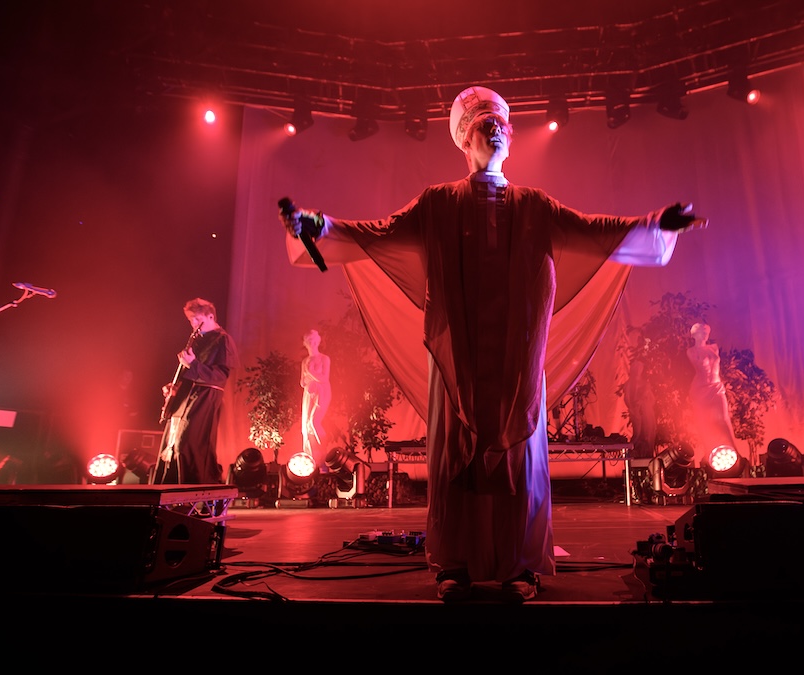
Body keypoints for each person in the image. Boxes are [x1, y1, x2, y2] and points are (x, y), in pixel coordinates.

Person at [279, 86, 707, 603]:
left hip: (515, 364)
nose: (497, 129)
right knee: (456, 459)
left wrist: (654, 224)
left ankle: (519, 568)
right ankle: (454, 567)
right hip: (457, 360)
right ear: (465, 138)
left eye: (502, 122)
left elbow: (596, 230)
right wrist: (316, 226)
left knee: (516, 463)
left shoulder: (534, 205)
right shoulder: (438, 202)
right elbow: (377, 233)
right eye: (485, 122)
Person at [153, 298, 239, 484]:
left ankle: (192, 492)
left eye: (196, 319)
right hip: (185, 398)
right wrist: (174, 386)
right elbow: (188, 373)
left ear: (210, 316)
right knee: (172, 443)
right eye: (190, 320)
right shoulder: (196, 340)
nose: (193, 324)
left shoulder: (223, 340)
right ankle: (167, 494)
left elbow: (220, 376)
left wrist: (192, 364)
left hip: (204, 398)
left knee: (189, 445)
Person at [685, 322, 739, 458]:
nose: (705, 335)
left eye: (706, 333)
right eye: (702, 333)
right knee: (703, 421)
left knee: (724, 418)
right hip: (700, 389)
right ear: (694, 335)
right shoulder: (691, 351)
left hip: (716, 387)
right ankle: (708, 452)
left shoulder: (713, 348)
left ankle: (735, 451)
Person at [623, 327, 658, 460]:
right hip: (637, 414)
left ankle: (646, 454)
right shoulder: (630, 384)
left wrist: (643, 401)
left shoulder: (645, 384)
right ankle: (638, 454)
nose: (638, 371)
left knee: (648, 434)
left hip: (646, 414)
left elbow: (651, 400)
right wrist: (635, 406)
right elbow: (628, 399)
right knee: (638, 435)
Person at [300, 329, 332, 467]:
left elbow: (324, 378)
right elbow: (302, 381)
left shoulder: (324, 358)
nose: (312, 344)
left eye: (314, 341)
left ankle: (324, 453)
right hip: (309, 392)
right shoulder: (305, 361)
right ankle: (313, 457)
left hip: (322, 391)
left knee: (314, 421)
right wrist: (308, 380)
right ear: (306, 344)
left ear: (318, 342)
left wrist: (311, 372)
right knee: (307, 426)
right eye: (309, 342)